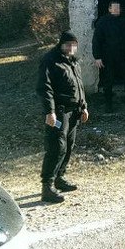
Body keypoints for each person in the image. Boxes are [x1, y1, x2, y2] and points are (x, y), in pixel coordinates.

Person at [36, 31, 89, 204]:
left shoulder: (73, 61)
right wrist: (49, 111)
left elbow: (79, 86)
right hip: (59, 113)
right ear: (61, 44)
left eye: (74, 45)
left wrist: (84, 107)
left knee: (68, 146)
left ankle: (59, 178)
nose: (71, 48)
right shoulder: (50, 60)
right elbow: (44, 88)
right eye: (68, 44)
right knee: (57, 146)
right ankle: (47, 187)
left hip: (74, 112)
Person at [93, 1, 125, 113]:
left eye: (118, 8)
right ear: (109, 9)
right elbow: (96, 40)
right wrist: (97, 57)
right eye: (114, 8)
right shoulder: (103, 22)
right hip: (108, 56)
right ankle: (108, 105)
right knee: (108, 80)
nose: (116, 10)